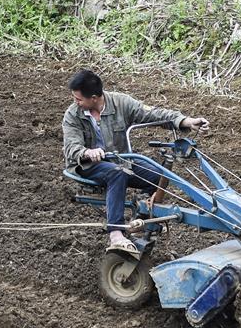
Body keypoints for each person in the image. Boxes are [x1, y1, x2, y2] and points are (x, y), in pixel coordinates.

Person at [62, 69, 210, 252]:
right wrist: (87, 152)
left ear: (94, 97)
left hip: (121, 160)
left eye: (78, 99)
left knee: (159, 174)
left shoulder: (121, 103)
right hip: (87, 164)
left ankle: (142, 219)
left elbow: (152, 114)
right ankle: (115, 234)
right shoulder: (73, 114)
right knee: (117, 173)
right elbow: (71, 147)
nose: (75, 102)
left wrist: (185, 121)